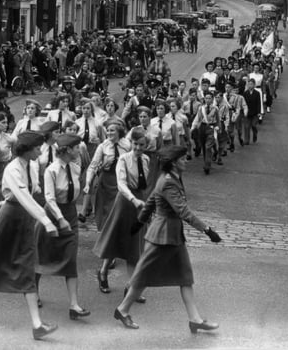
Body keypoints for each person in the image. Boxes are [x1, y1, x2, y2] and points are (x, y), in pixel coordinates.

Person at [113, 145, 221, 331]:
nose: (186, 161)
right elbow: (182, 210)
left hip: (173, 237)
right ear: (173, 162)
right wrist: (207, 230)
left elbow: (151, 202)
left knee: (185, 277)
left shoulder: (168, 178)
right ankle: (122, 310)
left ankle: (195, 319)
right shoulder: (168, 181)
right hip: (161, 237)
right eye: (183, 158)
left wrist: (139, 222)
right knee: (143, 276)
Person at [0, 131, 59, 340]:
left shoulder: (33, 165)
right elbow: (23, 196)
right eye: (37, 148)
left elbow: (34, 191)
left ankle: (37, 324)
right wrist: (45, 220)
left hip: (25, 219)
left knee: (27, 265)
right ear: (27, 149)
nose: (40, 151)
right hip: (10, 218)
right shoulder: (12, 168)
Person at [35, 133, 90, 321]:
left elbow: (76, 190)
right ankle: (34, 292)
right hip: (52, 216)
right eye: (76, 148)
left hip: (71, 215)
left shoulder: (74, 167)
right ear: (66, 150)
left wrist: (70, 216)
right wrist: (59, 219)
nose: (79, 151)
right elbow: (49, 198)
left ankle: (74, 305)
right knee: (43, 256)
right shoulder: (51, 170)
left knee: (70, 258)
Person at [94, 127, 149, 298]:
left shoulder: (146, 159)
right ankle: (103, 272)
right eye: (135, 144)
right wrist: (134, 200)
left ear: (146, 145)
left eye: (141, 145)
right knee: (115, 240)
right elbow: (122, 184)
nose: (138, 148)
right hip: (125, 202)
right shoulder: (124, 159)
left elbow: (146, 183)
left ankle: (132, 287)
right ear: (131, 142)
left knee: (135, 245)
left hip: (139, 202)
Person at [83, 121, 131, 229]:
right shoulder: (103, 146)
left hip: (121, 180)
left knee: (119, 208)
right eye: (108, 130)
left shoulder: (127, 144)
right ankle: (104, 231)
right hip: (106, 180)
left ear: (119, 132)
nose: (109, 133)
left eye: (112, 130)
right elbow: (93, 166)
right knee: (104, 208)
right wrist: (87, 182)